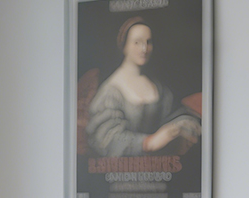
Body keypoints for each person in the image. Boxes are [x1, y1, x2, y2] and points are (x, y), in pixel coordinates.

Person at [86, 16, 201, 157]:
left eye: (148, 42)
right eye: (137, 42)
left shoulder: (156, 86)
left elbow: (174, 115)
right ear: (124, 46)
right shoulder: (111, 90)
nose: (144, 49)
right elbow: (105, 140)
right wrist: (147, 142)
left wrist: (180, 127)